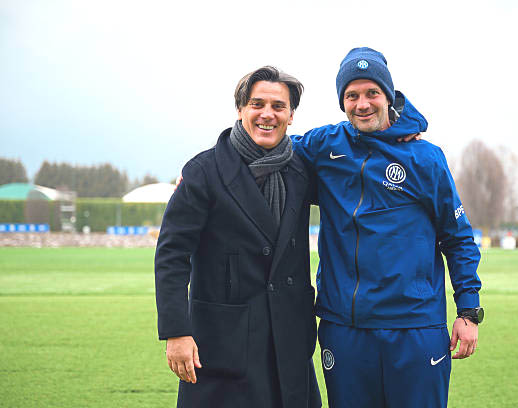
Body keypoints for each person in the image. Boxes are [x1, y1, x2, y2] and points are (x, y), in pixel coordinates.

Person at [291, 47, 483, 408]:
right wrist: (205, 173)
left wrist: (468, 312)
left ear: (388, 96)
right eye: (352, 95)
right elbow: (268, 148)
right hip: (344, 328)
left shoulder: (425, 158)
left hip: (414, 327)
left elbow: (457, 239)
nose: (362, 104)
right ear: (342, 102)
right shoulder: (324, 145)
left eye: (372, 93)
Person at [155, 66, 321, 408]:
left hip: (289, 340)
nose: (267, 114)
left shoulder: (301, 170)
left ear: (291, 116)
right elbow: (172, 255)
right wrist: (176, 331)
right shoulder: (203, 172)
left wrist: (400, 130)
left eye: (278, 106)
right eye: (257, 104)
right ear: (241, 109)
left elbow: (355, 147)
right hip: (223, 344)